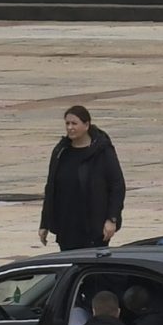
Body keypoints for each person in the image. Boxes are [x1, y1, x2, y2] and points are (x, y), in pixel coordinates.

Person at [40, 105, 126, 251]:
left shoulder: (102, 151)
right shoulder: (61, 151)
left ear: (86, 125)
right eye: (67, 123)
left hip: (93, 226)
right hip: (67, 225)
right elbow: (51, 188)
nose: (70, 128)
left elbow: (117, 186)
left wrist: (112, 218)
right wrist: (45, 223)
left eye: (74, 123)